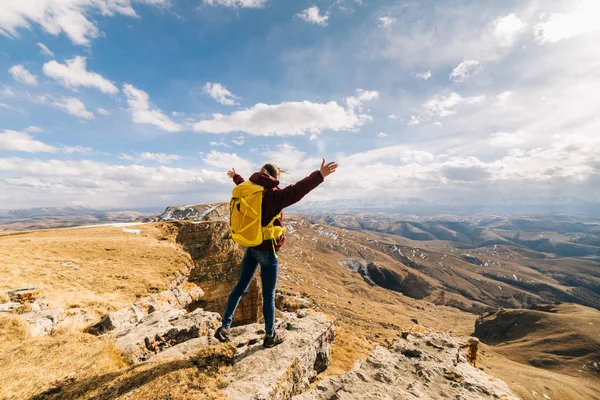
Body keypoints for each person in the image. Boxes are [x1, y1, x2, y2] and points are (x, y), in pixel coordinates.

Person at [214, 159, 338, 348]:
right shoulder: (274, 195)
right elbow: (298, 190)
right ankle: (270, 336)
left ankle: (225, 326)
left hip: (252, 246)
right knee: (268, 295)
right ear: (275, 177)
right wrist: (319, 175)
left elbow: (241, 183)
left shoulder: (250, 189)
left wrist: (235, 176)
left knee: (240, 287)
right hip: (268, 251)